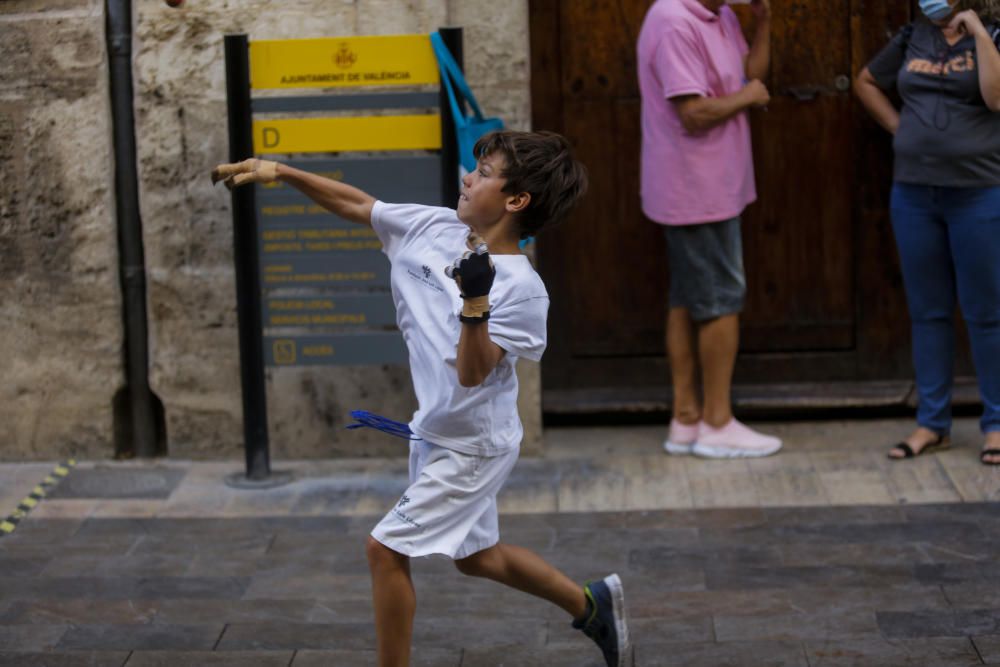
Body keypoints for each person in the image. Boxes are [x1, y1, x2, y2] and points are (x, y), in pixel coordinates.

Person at [211, 131, 633, 666]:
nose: (467, 178)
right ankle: (591, 604)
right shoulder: (435, 228)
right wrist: (284, 173)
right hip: (434, 431)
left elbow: (473, 373)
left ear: (515, 200)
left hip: (473, 447)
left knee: (385, 550)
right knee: (477, 558)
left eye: (482, 174)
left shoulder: (523, 291)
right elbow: (360, 205)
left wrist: (475, 301)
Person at [854, 0, 1000, 466]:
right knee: (928, 311)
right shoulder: (910, 37)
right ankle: (932, 424)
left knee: (987, 314)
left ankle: (996, 425)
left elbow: (997, 98)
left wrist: (978, 31)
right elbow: (866, 81)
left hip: (978, 193)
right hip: (914, 195)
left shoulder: (994, 36)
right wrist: (900, 129)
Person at [637, 0, 782, 458]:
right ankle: (717, 424)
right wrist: (749, 98)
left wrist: (765, 22)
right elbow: (694, 113)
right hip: (695, 189)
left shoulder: (722, 15)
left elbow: (749, 72)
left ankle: (686, 420)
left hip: (713, 184)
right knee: (720, 299)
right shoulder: (674, 21)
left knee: (687, 299)